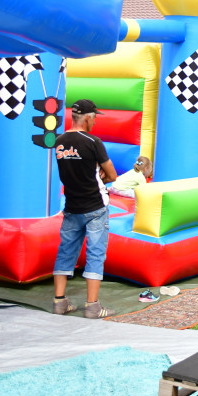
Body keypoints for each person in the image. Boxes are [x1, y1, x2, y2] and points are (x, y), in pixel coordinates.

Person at [52, 99, 118, 319]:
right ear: (88, 118)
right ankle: (92, 306)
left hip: (72, 206)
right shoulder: (93, 141)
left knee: (65, 253)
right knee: (96, 254)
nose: (95, 122)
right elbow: (112, 175)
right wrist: (101, 176)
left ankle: (59, 302)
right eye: (95, 118)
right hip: (95, 207)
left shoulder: (59, 141)